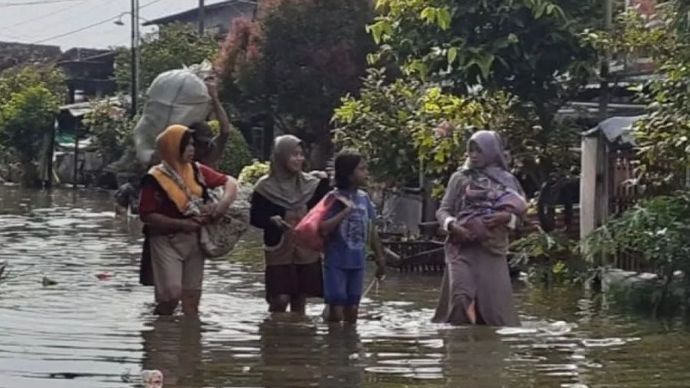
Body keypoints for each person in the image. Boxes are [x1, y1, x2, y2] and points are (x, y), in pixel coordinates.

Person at [139, 124, 238, 315]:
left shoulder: (196, 170)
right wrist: (181, 224)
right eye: (186, 145)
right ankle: (160, 336)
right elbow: (146, 215)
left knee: (191, 300)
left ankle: (190, 342)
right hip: (165, 240)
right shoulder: (154, 178)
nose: (192, 149)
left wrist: (222, 205)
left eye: (193, 145)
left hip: (195, 239)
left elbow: (229, 182)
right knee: (171, 295)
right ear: (172, 147)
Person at [432, 130, 526, 327]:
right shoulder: (459, 178)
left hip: (491, 250)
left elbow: (521, 217)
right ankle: (459, 351)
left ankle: (485, 352)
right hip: (461, 248)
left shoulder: (508, 181)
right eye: (471, 150)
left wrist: (505, 218)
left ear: (492, 152)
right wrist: (452, 225)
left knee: (495, 314)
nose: (473, 155)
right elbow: (443, 210)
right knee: (460, 299)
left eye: (479, 151)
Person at [250, 135, 330, 314]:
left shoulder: (312, 185)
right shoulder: (264, 187)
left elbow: (323, 210)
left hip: (306, 248)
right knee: (280, 298)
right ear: (280, 157)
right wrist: (271, 220)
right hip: (278, 248)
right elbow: (254, 217)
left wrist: (325, 181)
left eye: (301, 154)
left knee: (300, 297)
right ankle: (274, 333)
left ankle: (296, 338)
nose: (299, 159)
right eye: (293, 154)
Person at [319, 150, 385, 324]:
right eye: (361, 169)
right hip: (336, 262)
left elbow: (371, 230)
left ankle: (349, 346)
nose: (366, 173)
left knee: (353, 309)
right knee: (336, 307)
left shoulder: (364, 199)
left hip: (357, 262)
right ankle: (332, 345)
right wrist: (345, 211)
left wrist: (380, 257)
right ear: (348, 174)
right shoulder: (332, 198)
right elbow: (323, 228)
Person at [188, 76, 232, 168]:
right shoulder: (181, 157)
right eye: (198, 144)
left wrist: (214, 98)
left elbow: (225, 131)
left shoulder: (210, 154)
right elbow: (225, 131)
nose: (202, 148)